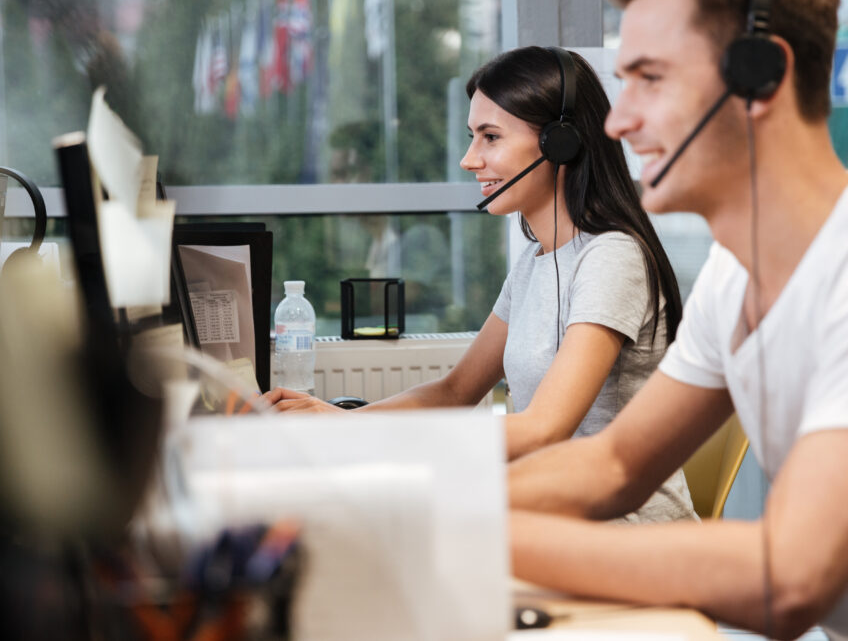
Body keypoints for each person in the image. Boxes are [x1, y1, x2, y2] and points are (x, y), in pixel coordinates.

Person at [508, 0, 848, 639]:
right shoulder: (734, 271)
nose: (618, 122)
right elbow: (616, 464)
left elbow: (789, 577)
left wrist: (475, 530)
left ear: (760, 76)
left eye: (650, 79)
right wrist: (423, 496)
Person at [266, 46, 695, 524]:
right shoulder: (534, 262)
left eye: (490, 137)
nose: (470, 160)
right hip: (556, 513)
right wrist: (340, 421)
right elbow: (455, 391)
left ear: (560, 143)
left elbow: (543, 429)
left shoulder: (611, 258)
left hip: (624, 529)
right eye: (472, 137)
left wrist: (360, 436)